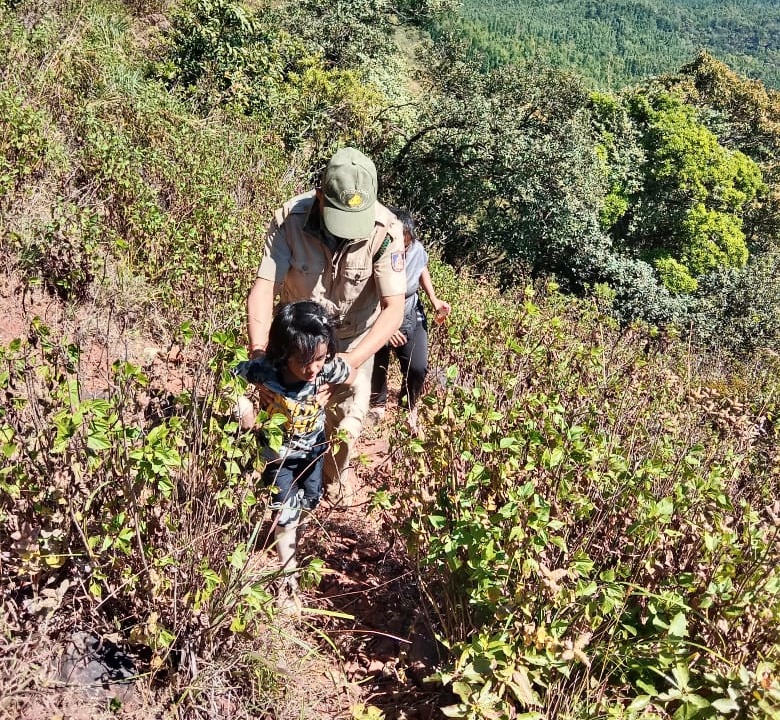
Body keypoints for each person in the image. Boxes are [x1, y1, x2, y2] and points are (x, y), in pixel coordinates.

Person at [245, 147, 406, 502]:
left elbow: (393, 307)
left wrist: (350, 363)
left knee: (345, 421)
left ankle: (334, 478)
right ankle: (276, 489)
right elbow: (262, 290)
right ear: (320, 196)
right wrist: (259, 355)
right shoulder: (290, 218)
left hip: (352, 343)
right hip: (295, 342)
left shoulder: (386, 231)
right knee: (281, 412)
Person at [235, 300, 354, 596]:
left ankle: (288, 531)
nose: (313, 368)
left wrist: (333, 389)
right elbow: (227, 380)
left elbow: (350, 375)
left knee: (310, 499)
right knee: (286, 512)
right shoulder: (266, 371)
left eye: (320, 358)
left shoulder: (325, 369)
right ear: (284, 353)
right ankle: (288, 582)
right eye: (304, 361)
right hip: (278, 459)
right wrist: (244, 406)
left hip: (313, 451)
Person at [369, 210, 450, 427]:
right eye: (399, 243)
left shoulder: (416, 249)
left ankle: (408, 407)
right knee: (377, 356)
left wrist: (434, 299)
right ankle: (377, 405)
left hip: (409, 310)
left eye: (406, 244)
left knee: (418, 366)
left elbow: (421, 267)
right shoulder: (375, 249)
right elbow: (366, 295)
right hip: (377, 313)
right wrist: (387, 327)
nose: (403, 249)